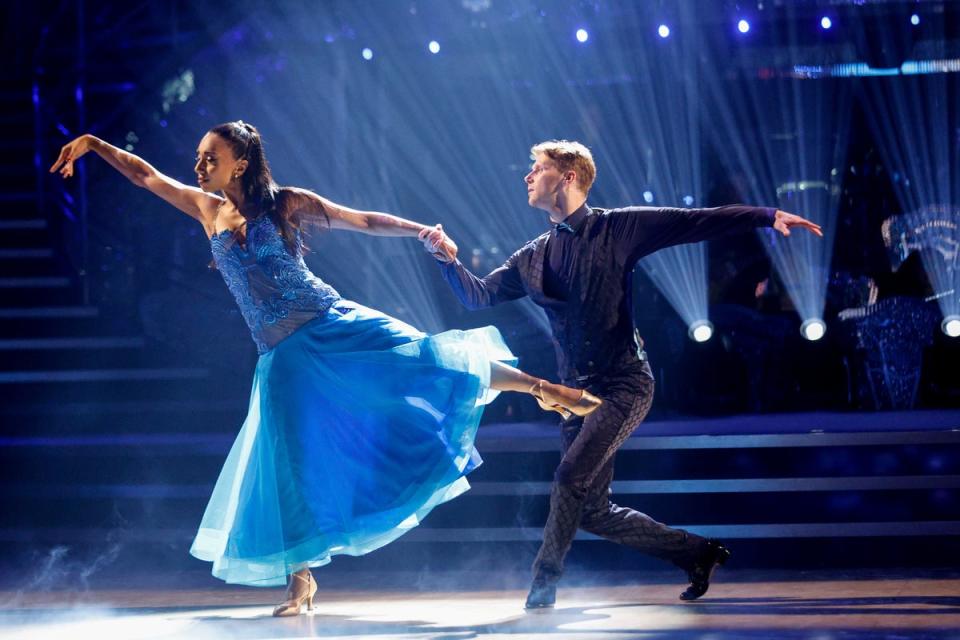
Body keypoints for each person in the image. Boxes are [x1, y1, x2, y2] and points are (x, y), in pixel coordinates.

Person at [50, 123, 601, 616]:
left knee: (421, 355)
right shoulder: (206, 209)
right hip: (281, 357)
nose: (198, 165)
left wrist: (421, 232)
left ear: (239, 162)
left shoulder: (285, 204)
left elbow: (360, 219)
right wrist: (95, 145)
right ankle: (301, 581)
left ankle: (540, 387)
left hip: (332, 321)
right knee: (287, 463)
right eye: (198, 157)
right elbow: (146, 176)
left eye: (209, 156)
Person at [420, 140, 822, 609]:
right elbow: (478, 296)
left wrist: (764, 215)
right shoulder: (532, 255)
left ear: (568, 177)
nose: (527, 177)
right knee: (591, 510)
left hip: (625, 383)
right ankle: (697, 552)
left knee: (570, 476)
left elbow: (693, 222)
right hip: (574, 394)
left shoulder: (619, 227)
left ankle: (542, 586)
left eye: (538, 169)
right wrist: (447, 260)